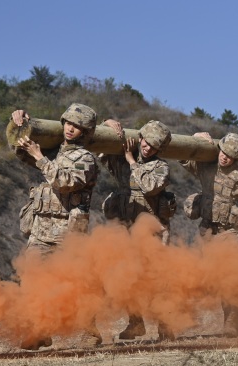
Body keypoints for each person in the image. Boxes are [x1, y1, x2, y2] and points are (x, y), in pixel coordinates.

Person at [13, 103, 102, 349]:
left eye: (78, 126)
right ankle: (40, 330)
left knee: (76, 282)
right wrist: (20, 124)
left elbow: (65, 182)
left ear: (86, 132)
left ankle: (89, 332)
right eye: (69, 123)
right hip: (41, 230)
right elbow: (20, 152)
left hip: (68, 232)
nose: (71, 129)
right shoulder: (54, 151)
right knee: (33, 281)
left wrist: (40, 157)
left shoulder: (86, 159)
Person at [180, 132, 238, 337]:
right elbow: (184, 157)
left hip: (231, 233)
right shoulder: (205, 167)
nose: (224, 157)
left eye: (230, 155)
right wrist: (195, 139)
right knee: (216, 280)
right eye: (223, 151)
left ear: (236, 158)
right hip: (208, 232)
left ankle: (231, 319)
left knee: (230, 277)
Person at [100, 118, 176, 341]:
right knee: (127, 278)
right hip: (126, 230)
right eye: (145, 141)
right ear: (140, 137)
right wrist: (108, 123)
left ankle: (165, 325)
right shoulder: (123, 155)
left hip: (151, 233)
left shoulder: (161, 167)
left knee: (156, 281)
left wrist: (132, 162)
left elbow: (149, 187)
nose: (147, 146)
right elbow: (101, 151)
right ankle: (135, 324)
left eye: (154, 145)